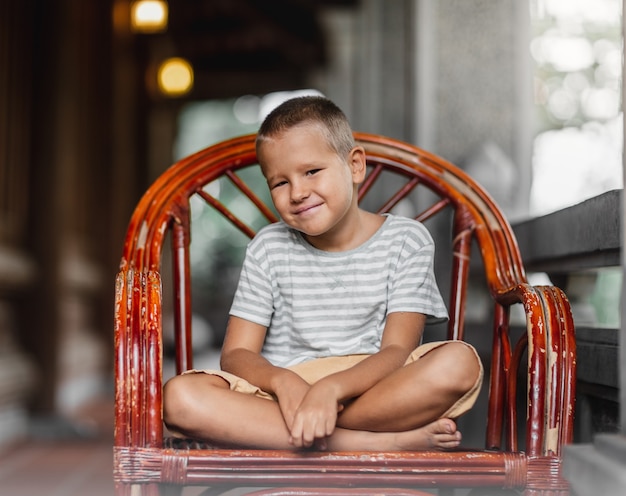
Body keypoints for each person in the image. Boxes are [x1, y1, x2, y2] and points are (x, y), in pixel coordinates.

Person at [163, 96, 483, 451]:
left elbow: (396, 350)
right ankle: (370, 443)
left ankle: (300, 432)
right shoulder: (269, 247)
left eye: (312, 171)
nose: (297, 192)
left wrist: (330, 390)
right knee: (180, 397)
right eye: (279, 183)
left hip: (372, 388)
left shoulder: (406, 240)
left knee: (459, 363)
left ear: (355, 166)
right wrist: (284, 383)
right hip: (284, 395)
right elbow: (237, 354)